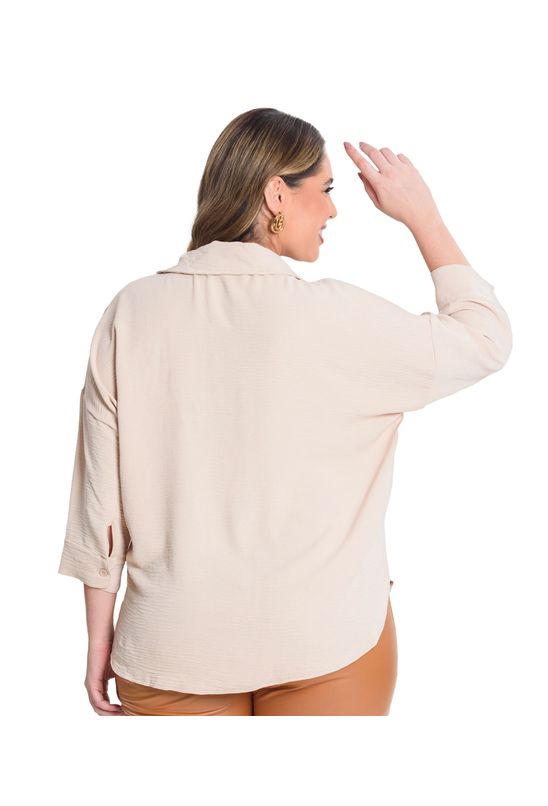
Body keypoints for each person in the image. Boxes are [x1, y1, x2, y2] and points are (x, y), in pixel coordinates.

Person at [57, 107, 512, 716]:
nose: (332, 210)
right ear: (277, 194)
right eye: (326, 189)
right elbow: (485, 340)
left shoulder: (131, 312)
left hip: (172, 642)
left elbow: (99, 501)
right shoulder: (340, 319)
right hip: (326, 635)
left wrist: (98, 637)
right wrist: (422, 216)